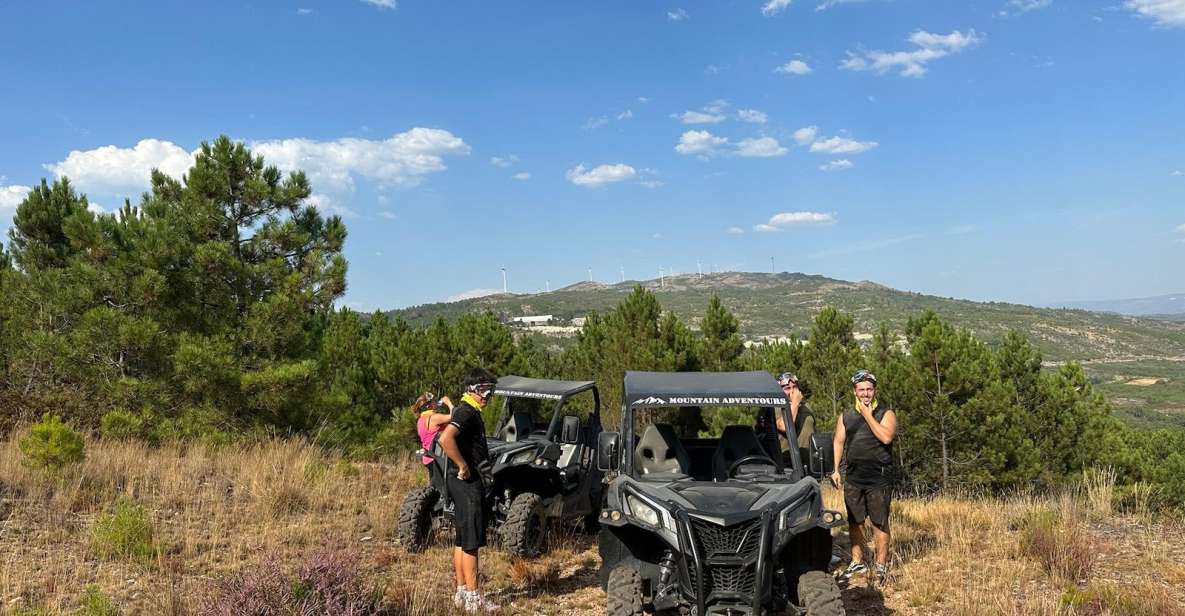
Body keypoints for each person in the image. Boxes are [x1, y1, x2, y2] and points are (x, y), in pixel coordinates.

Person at [437, 367, 500, 613]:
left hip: (458, 482)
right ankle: (474, 598)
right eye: (484, 390)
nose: (488, 396)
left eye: (490, 391)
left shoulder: (467, 410)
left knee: (462, 538)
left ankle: (462, 592)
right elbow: (445, 439)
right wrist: (462, 465)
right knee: (472, 540)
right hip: (467, 482)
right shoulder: (467, 412)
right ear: (472, 390)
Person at [831, 369, 897, 585]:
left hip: (878, 477)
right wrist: (835, 469)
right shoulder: (846, 416)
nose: (866, 393)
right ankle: (858, 561)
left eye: (869, 389)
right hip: (853, 477)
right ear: (855, 391)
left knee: (879, 523)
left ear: (874, 390)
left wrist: (868, 416)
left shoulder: (886, 413)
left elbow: (886, 438)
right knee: (855, 522)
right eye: (861, 389)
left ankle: (880, 565)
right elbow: (839, 441)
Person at [774, 372, 815, 469]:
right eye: (787, 388)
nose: (792, 391)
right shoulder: (776, 408)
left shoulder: (806, 407)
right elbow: (784, 426)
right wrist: (795, 402)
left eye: (795, 387)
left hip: (808, 465)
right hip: (786, 466)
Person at [413, 392, 455, 469]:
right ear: (429, 405)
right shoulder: (434, 418)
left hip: (428, 458)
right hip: (438, 459)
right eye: (434, 401)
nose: (436, 402)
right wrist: (448, 402)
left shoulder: (420, 420)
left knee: (434, 481)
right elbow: (454, 416)